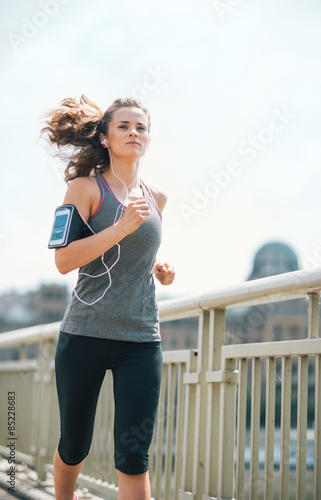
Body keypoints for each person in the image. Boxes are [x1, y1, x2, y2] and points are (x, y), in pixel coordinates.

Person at [41, 94, 175, 500]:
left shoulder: (157, 198)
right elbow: (64, 261)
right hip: (85, 335)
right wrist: (120, 227)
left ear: (148, 139)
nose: (134, 132)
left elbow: (134, 254)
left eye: (141, 128)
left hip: (140, 339)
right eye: (124, 126)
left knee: (134, 455)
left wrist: (160, 269)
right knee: (75, 443)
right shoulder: (84, 189)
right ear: (104, 137)